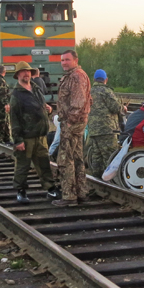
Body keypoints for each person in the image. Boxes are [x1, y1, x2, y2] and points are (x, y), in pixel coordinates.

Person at [9, 61, 59, 203]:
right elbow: (14, 118)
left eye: (28, 71)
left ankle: (50, 189)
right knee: (23, 165)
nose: (26, 74)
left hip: (41, 135)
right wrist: (18, 140)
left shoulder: (36, 89)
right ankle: (21, 191)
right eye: (23, 71)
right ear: (18, 74)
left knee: (44, 163)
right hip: (26, 136)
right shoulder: (17, 94)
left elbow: (40, 106)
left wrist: (47, 111)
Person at [53, 50, 91, 206]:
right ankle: (81, 193)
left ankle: (69, 196)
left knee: (65, 159)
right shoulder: (77, 75)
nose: (64, 63)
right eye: (62, 60)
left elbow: (79, 101)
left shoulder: (76, 77)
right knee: (76, 157)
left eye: (67, 60)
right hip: (76, 122)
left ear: (75, 60)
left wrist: (70, 122)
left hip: (72, 123)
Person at [87, 69, 126, 178]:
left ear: (94, 79)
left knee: (96, 156)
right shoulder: (106, 91)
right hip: (107, 130)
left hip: (93, 130)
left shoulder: (89, 91)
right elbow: (115, 108)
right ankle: (111, 182)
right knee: (110, 156)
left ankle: (97, 182)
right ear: (106, 80)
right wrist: (123, 107)